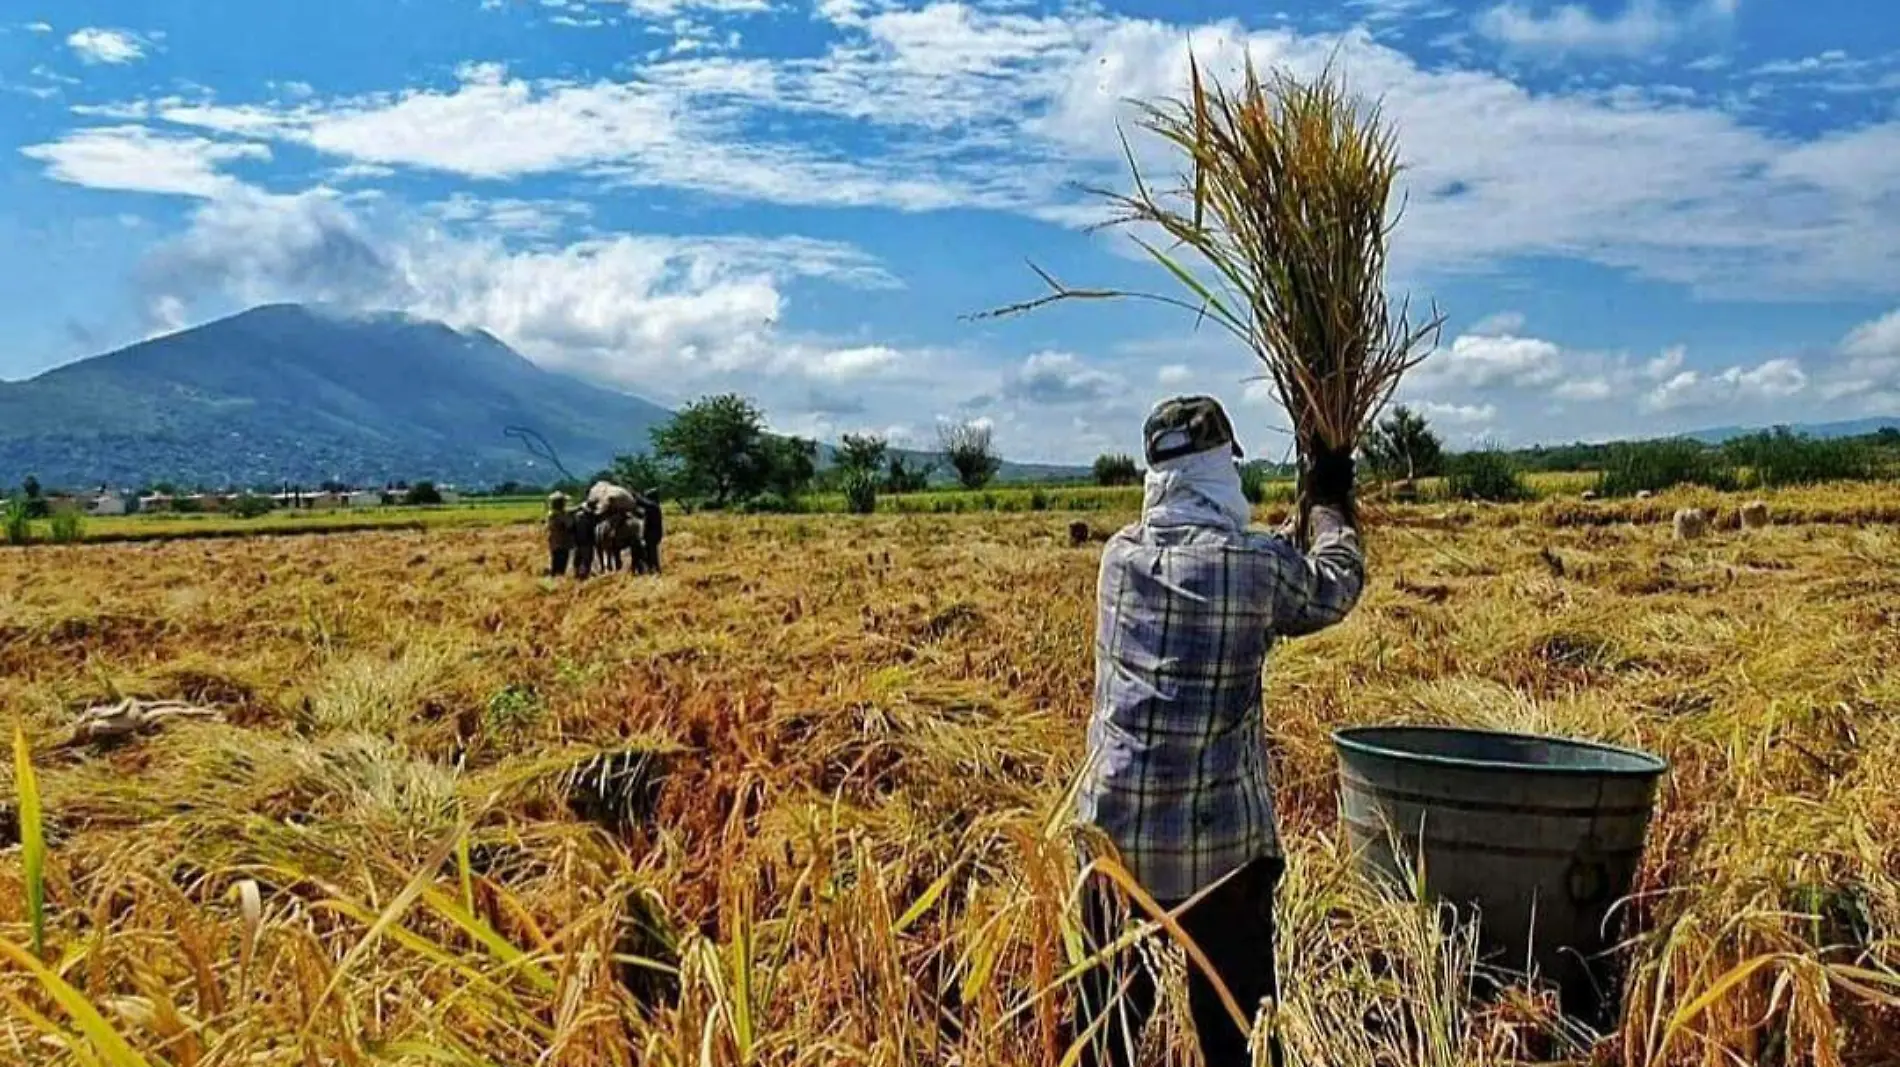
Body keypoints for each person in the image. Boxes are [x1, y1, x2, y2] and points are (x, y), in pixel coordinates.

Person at [1073, 395, 1364, 1067]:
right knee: (1239, 1038)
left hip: (1112, 840)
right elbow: (1335, 584)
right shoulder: (1254, 566)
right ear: (1217, 471)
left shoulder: (1118, 558)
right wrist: (1325, 503)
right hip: (1219, 851)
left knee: (1102, 1035)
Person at [545, 492, 574, 577]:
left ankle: (554, 580)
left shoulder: (551, 515)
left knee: (555, 562)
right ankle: (558, 581)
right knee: (561, 566)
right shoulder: (560, 516)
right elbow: (569, 525)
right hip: (562, 543)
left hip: (554, 543)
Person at [636, 492, 663, 574]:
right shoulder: (653, 508)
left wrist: (635, 495)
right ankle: (653, 569)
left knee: (652, 553)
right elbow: (642, 514)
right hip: (653, 534)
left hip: (652, 535)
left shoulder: (653, 506)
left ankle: (655, 570)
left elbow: (642, 502)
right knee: (650, 552)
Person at [570, 499, 597, 580]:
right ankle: (584, 577)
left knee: (577, 560)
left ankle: (576, 575)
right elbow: (592, 531)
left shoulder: (576, 516)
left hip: (577, 542)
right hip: (587, 543)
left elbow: (572, 529)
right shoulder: (591, 518)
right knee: (587, 561)